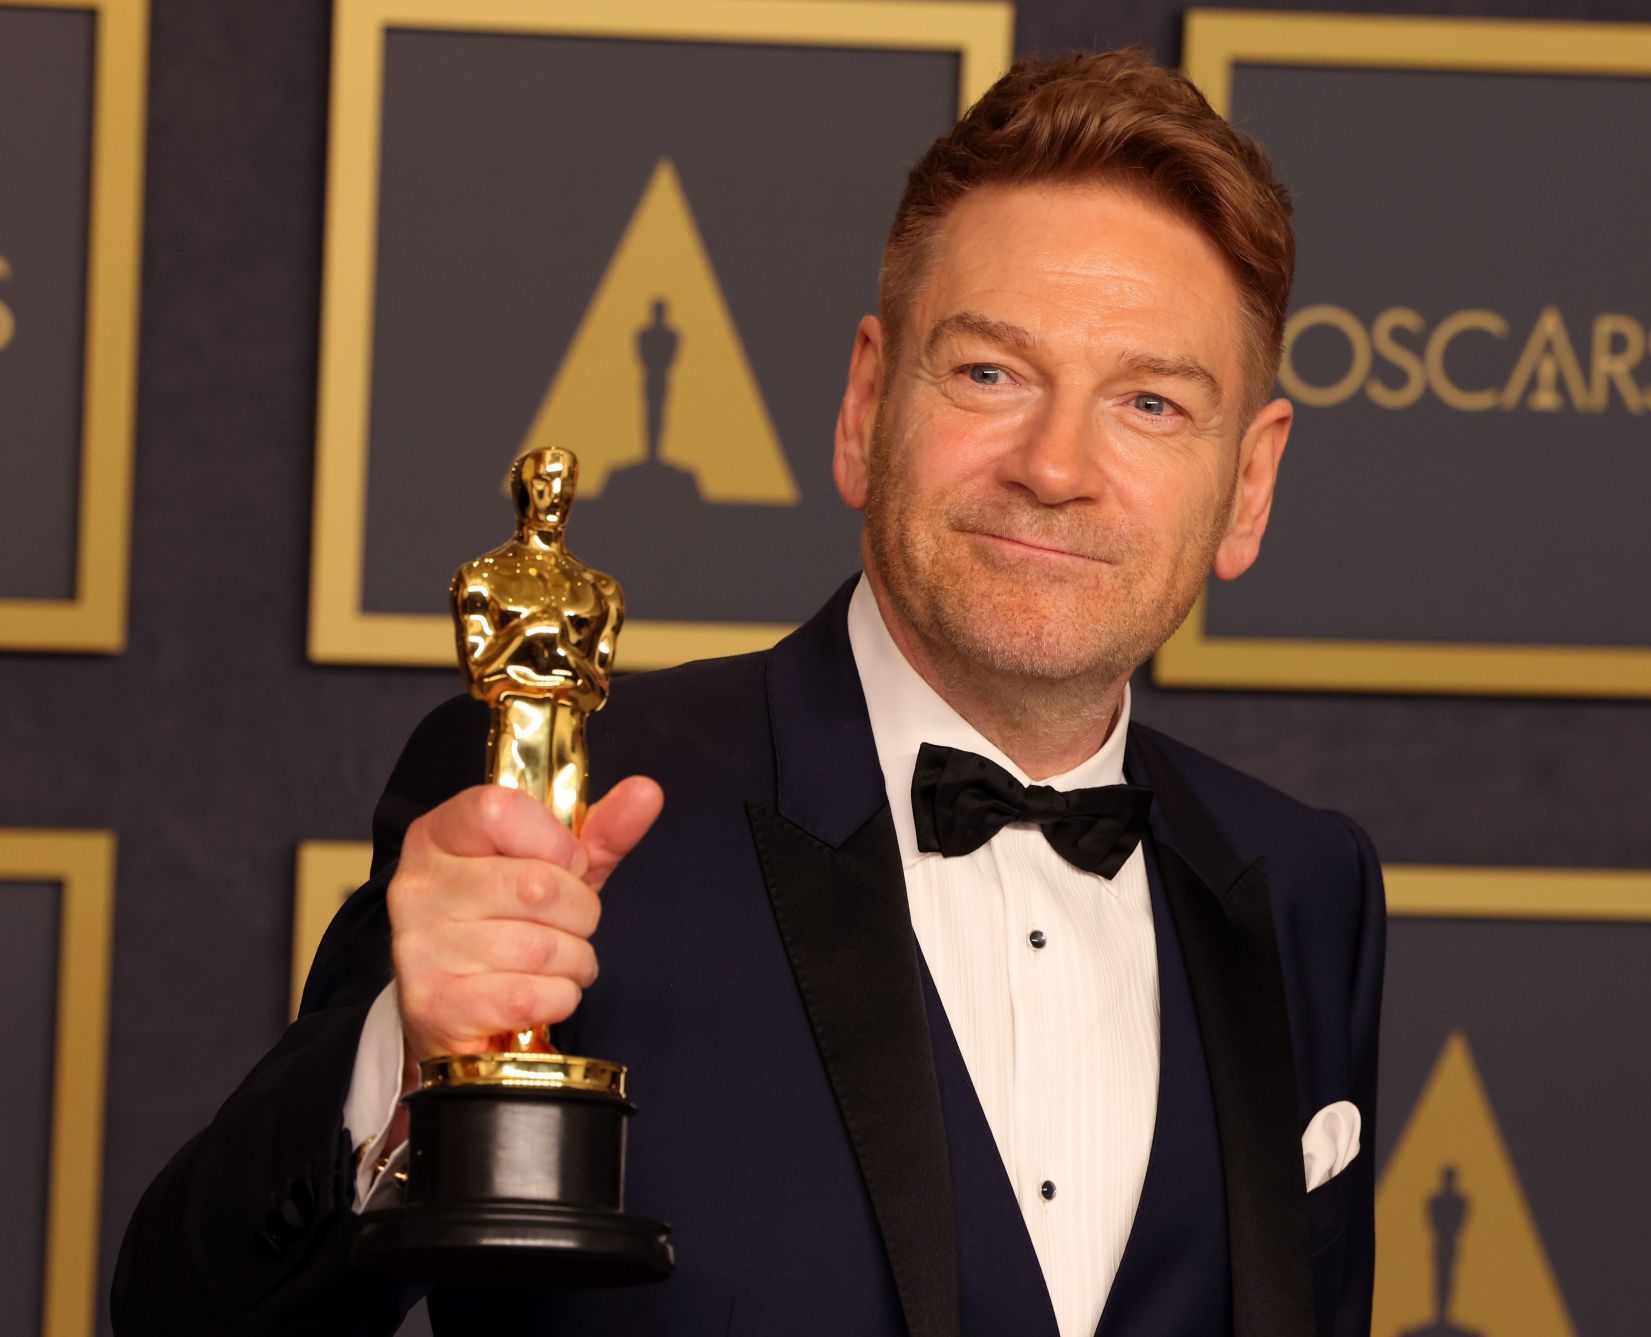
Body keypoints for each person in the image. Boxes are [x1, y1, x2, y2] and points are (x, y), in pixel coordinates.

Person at [113, 48, 1384, 1337]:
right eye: (992, 373)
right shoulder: (558, 797)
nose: (1056, 467)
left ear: (1250, 483)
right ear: (865, 404)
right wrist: (403, 1055)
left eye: (1153, 403)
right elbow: (182, 1315)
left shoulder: (1305, 884)